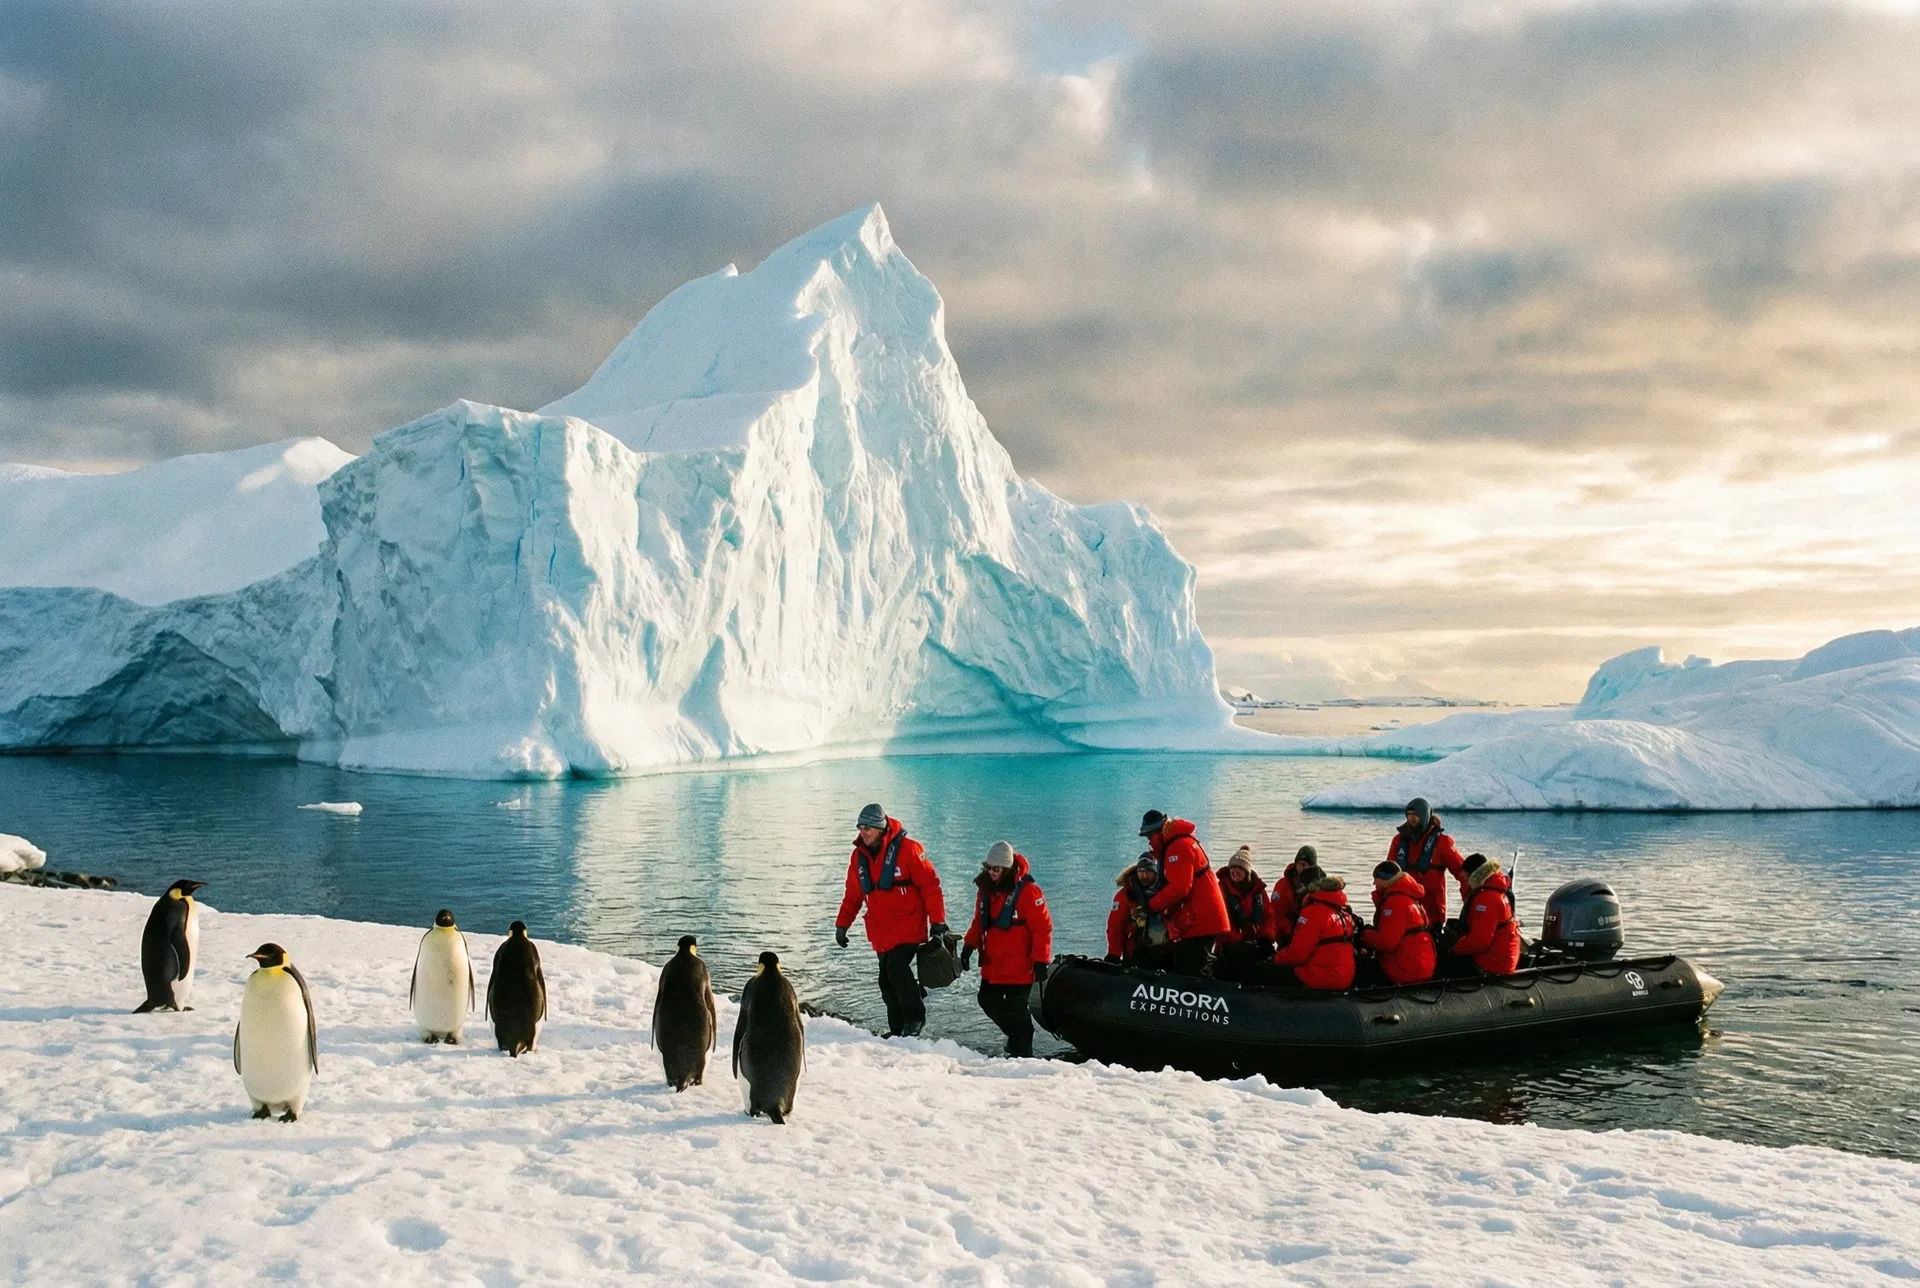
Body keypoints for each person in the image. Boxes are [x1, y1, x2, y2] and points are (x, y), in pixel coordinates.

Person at [834, 803, 948, 1037]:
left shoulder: (909, 849)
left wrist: (938, 922)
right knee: (885, 980)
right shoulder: (858, 857)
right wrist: (842, 925)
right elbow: (853, 895)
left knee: (896, 969)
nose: (863, 833)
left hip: (908, 926)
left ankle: (915, 1019)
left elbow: (931, 887)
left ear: (880, 828)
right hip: (881, 932)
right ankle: (897, 1030)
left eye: (867, 828)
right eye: (860, 828)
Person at [959, 841, 1053, 1057]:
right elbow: (979, 922)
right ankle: (1017, 1035)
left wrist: (1041, 960)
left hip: (1020, 966)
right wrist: (969, 946)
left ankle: (1023, 1054)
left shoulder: (1029, 892)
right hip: (993, 964)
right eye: (988, 867)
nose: (991, 872)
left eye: (996, 869)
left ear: (1007, 869)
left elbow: (1043, 928)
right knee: (986, 1000)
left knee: (1016, 1010)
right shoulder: (985, 890)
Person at [1133, 809, 1231, 976]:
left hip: (1201, 921)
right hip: (1202, 919)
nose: (1149, 842)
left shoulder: (1178, 846)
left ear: (1158, 832)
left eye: (1149, 836)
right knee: (1188, 964)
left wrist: (1152, 905)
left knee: (1190, 971)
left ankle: (1208, 990)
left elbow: (1180, 888)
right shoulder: (1181, 842)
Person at [1267, 869, 1357, 990]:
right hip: (1345, 977)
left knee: (1262, 970)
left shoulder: (1312, 912)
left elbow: (1297, 954)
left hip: (1320, 976)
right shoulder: (1344, 912)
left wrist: (1276, 958)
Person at [1387, 798, 1468, 928]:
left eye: (1416, 815)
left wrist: (1471, 900)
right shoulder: (1398, 841)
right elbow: (1388, 874)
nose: (1412, 819)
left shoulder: (1442, 842)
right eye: (1409, 815)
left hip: (1433, 913)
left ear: (1424, 815)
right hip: (1404, 910)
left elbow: (1463, 873)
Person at [1358, 860, 1436, 986]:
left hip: (1405, 969)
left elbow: (1387, 942)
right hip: (1423, 964)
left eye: (1375, 878)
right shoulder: (1410, 898)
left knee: (1360, 969)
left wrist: (1364, 934)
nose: (1374, 883)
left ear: (1384, 879)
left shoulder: (1395, 902)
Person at [1446, 853, 1521, 976]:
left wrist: (1454, 950)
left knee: (1445, 960)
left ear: (1474, 875)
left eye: (1466, 876)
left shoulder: (1486, 899)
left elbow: (1480, 942)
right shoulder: (1497, 889)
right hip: (1504, 955)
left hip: (1494, 962)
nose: (1465, 880)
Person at [1213, 846, 1273, 982]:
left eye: (1239, 868)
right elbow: (1219, 918)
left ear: (1247, 871)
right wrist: (1236, 941)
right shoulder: (1220, 889)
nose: (1234, 871)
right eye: (1232, 868)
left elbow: (1269, 917)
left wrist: (1266, 937)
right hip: (1228, 945)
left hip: (1253, 943)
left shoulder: (1258, 891)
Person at [1106, 853, 1167, 964]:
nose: (1144, 876)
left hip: (1164, 946)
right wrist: (1114, 953)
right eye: (1141, 871)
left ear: (1156, 873)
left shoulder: (1166, 891)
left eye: (1149, 872)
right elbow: (1115, 925)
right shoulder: (1126, 894)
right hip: (1136, 948)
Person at [1270, 844, 1318, 945]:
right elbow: (1277, 914)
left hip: (1310, 934)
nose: (1301, 868)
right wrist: (1292, 932)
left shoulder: (1318, 885)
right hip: (1288, 936)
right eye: (1299, 864)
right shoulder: (1283, 885)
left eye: (1305, 865)